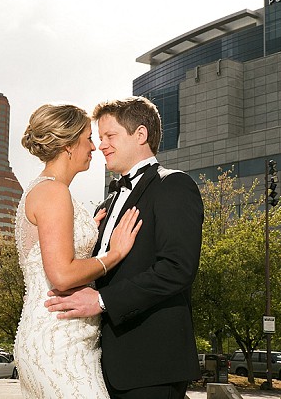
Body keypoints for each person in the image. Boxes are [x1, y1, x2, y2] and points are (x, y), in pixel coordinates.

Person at [45, 97, 203, 398]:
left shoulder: (173, 186)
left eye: (109, 136)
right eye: (99, 138)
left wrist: (102, 300)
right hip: (100, 364)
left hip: (151, 364)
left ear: (140, 135)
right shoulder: (107, 203)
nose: (101, 145)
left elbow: (177, 269)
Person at [14, 104, 142, 398]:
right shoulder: (53, 192)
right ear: (69, 145)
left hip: (60, 335)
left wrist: (89, 230)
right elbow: (61, 275)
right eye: (87, 138)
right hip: (58, 341)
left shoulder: (46, 190)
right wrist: (114, 254)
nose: (94, 147)